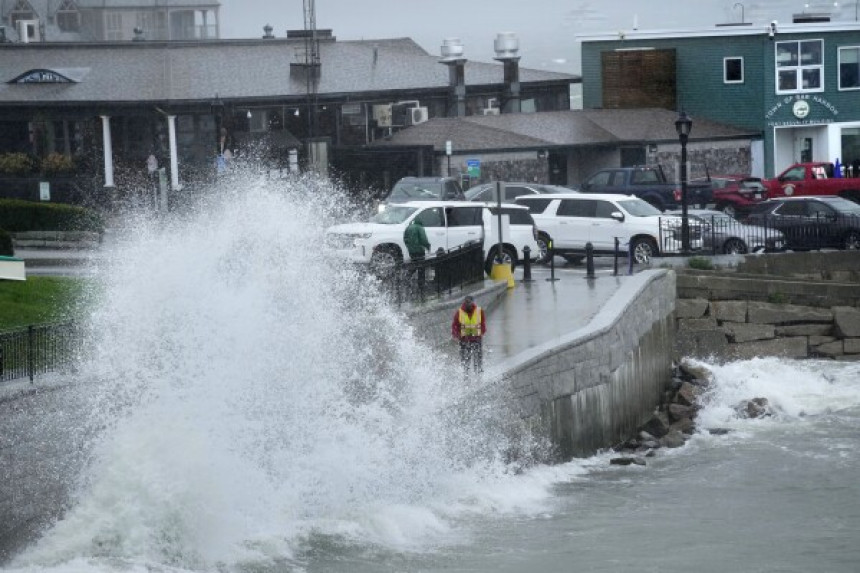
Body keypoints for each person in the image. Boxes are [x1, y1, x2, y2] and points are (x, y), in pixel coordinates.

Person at [452, 295, 486, 375]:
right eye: (466, 302)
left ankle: (478, 371)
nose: (468, 304)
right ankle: (465, 373)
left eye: (469, 302)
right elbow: (455, 325)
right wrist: (456, 335)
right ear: (464, 302)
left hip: (476, 338)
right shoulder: (459, 312)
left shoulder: (479, 311)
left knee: (478, 357)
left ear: (472, 302)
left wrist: (481, 333)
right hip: (464, 340)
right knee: (465, 359)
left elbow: (482, 323)